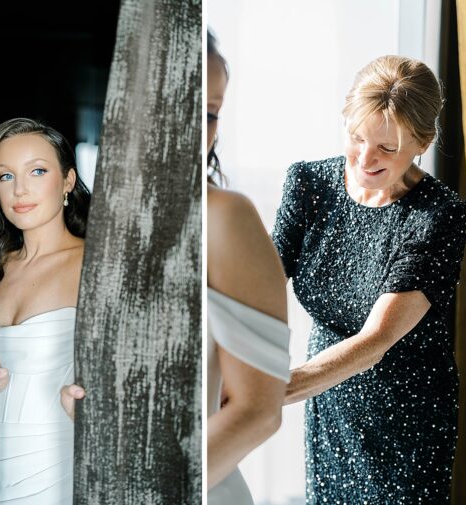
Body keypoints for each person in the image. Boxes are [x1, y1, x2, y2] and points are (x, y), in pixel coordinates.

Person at [271, 55, 466, 503]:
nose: (365, 158)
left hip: (407, 421)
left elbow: (375, 340)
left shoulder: (439, 217)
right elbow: (259, 287)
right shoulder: (309, 184)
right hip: (329, 403)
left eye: (387, 148)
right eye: (356, 137)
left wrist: (265, 393)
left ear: (421, 142)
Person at [205, 29, 291, 505]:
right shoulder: (92, 222)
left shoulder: (225, 216)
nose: (199, 128)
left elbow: (259, 411)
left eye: (212, 114)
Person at [0, 118, 90, 504]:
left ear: (67, 180)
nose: (20, 189)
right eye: (5, 176)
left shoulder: (95, 265)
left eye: (38, 171)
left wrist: (90, 411)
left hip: (57, 459)